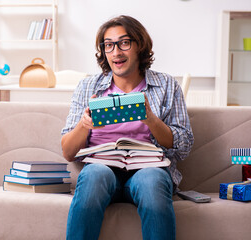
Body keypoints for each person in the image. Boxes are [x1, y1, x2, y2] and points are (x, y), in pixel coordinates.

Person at [61, 15, 194, 240]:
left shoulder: (167, 85)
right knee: (93, 174)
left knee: (152, 181)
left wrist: (151, 120)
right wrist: (84, 125)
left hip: (148, 169)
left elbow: (184, 146)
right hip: (102, 168)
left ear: (139, 46)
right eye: (109, 45)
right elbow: (67, 151)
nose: (116, 52)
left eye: (124, 43)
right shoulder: (88, 86)